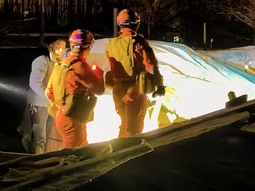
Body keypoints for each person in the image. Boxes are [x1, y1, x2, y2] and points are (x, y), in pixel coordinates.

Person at [105, 9, 165, 137]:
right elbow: (150, 64)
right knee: (133, 130)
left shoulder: (112, 44)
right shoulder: (139, 43)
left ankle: (117, 153)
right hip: (135, 90)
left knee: (124, 124)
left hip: (117, 92)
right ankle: (129, 154)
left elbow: (112, 66)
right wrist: (158, 85)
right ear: (136, 23)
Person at [45, 29, 104, 148]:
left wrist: (60, 107)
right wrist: (99, 74)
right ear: (87, 47)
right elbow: (99, 90)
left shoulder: (60, 64)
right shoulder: (80, 66)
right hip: (72, 119)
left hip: (61, 117)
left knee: (82, 148)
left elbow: (48, 92)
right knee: (72, 156)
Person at [19, 38, 66, 154]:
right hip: (39, 105)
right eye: (58, 45)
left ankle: (42, 159)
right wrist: (50, 97)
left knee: (47, 136)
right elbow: (35, 83)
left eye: (63, 46)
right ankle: (35, 162)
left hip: (52, 106)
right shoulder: (42, 61)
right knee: (39, 137)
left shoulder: (59, 63)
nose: (61, 49)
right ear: (51, 45)